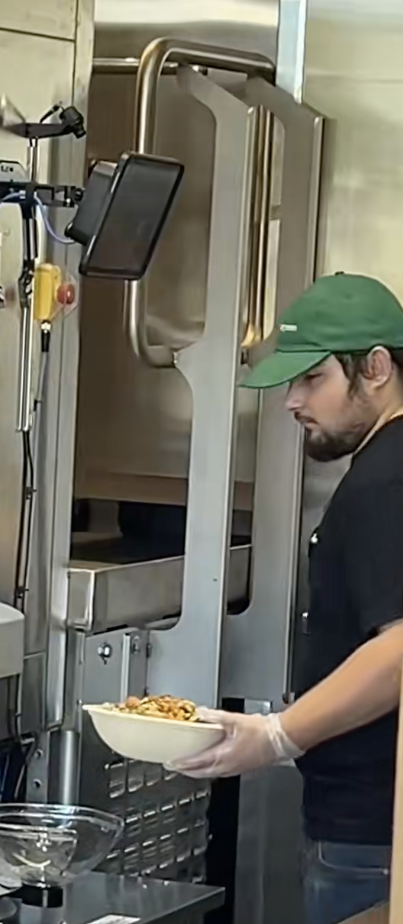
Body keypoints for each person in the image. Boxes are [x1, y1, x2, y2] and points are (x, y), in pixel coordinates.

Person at [172, 273, 403, 924]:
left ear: (376, 367)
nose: (292, 402)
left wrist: (277, 736)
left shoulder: (389, 479)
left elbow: (399, 649)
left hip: (369, 835)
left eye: (312, 380)